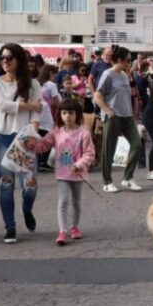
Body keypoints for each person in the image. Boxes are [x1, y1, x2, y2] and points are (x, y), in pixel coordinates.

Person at [0, 43, 44, 244]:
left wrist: (33, 135)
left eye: (9, 57)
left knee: (30, 186)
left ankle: (27, 209)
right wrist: (31, 105)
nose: (4, 61)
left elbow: (36, 114)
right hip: (3, 137)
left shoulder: (33, 84)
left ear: (18, 60)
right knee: (6, 185)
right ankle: (10, 227)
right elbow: (3, 106)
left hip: (24, 138)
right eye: (2, 57)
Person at [32, 98, 95, 246]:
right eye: (64, 113)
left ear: (77, 114)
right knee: (63, 201)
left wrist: (79, 164)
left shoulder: (84, 133)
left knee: (76, 202)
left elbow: (90, 153)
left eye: (71, 113)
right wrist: (32, 145)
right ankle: (62, 231)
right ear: (59, 114)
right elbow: (44, 145)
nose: (67, 116)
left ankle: (74, 227)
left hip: (78, 174)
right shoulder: (56, 132)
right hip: (62, 174)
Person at [93, 46, 143, 192]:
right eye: (128, 60)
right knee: (109, 150)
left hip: (127, 116)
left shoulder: (124, 75)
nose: (130, 62)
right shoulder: (107, 74)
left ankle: (127, 178)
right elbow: (97, 96)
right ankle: (107, 182)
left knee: (137, 145)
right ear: (120, 60)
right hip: (113, 117)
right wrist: (108, 111)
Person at [36, 66, 62, 173]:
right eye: (56, 74)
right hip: (46, 113)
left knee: (38, 136)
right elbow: (56, 101)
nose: (56, 76)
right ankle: (43, 162)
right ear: (51, 73)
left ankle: (38, 162)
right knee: (49, 136)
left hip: (36, 112)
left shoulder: (37, 83)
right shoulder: (51, 85)